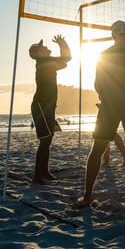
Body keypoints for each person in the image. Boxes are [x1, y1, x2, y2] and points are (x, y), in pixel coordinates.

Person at [78, 20, 125, 210]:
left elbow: (97, 84)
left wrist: (106, 97)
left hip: (110, 105)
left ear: (112, 35)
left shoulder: (105, 55)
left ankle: (87, 198)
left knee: (97, 149)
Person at [29, 35, 71, 184]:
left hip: (47, 105)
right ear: (38, 53)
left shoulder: (46, 62)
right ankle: (37, 176)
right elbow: (67, 59)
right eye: (42, 47)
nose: (46, 47)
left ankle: (44, 172)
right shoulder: (45, 62)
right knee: (45, 141)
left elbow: (65, 60)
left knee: (47, 140)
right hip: (41, 105)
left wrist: (62, 44)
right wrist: (62, 43)